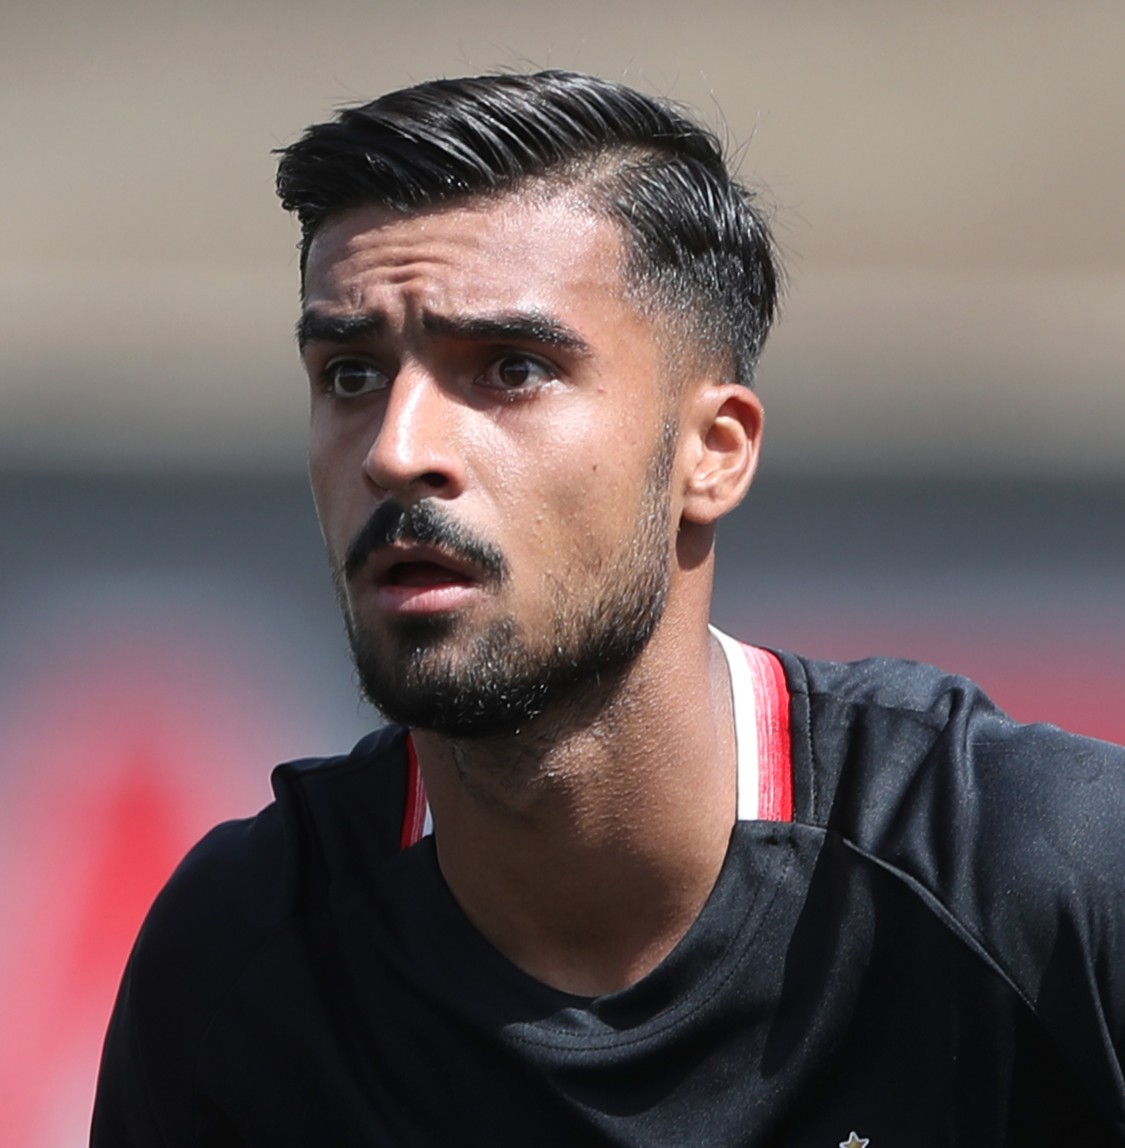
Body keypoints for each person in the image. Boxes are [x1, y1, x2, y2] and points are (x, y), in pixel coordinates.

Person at [92, 71, 1125, 1145]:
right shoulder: (241, 960)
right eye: (350, 374)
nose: (397, 452)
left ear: (711, 453)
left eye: (511, 368)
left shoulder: (1043, 882)